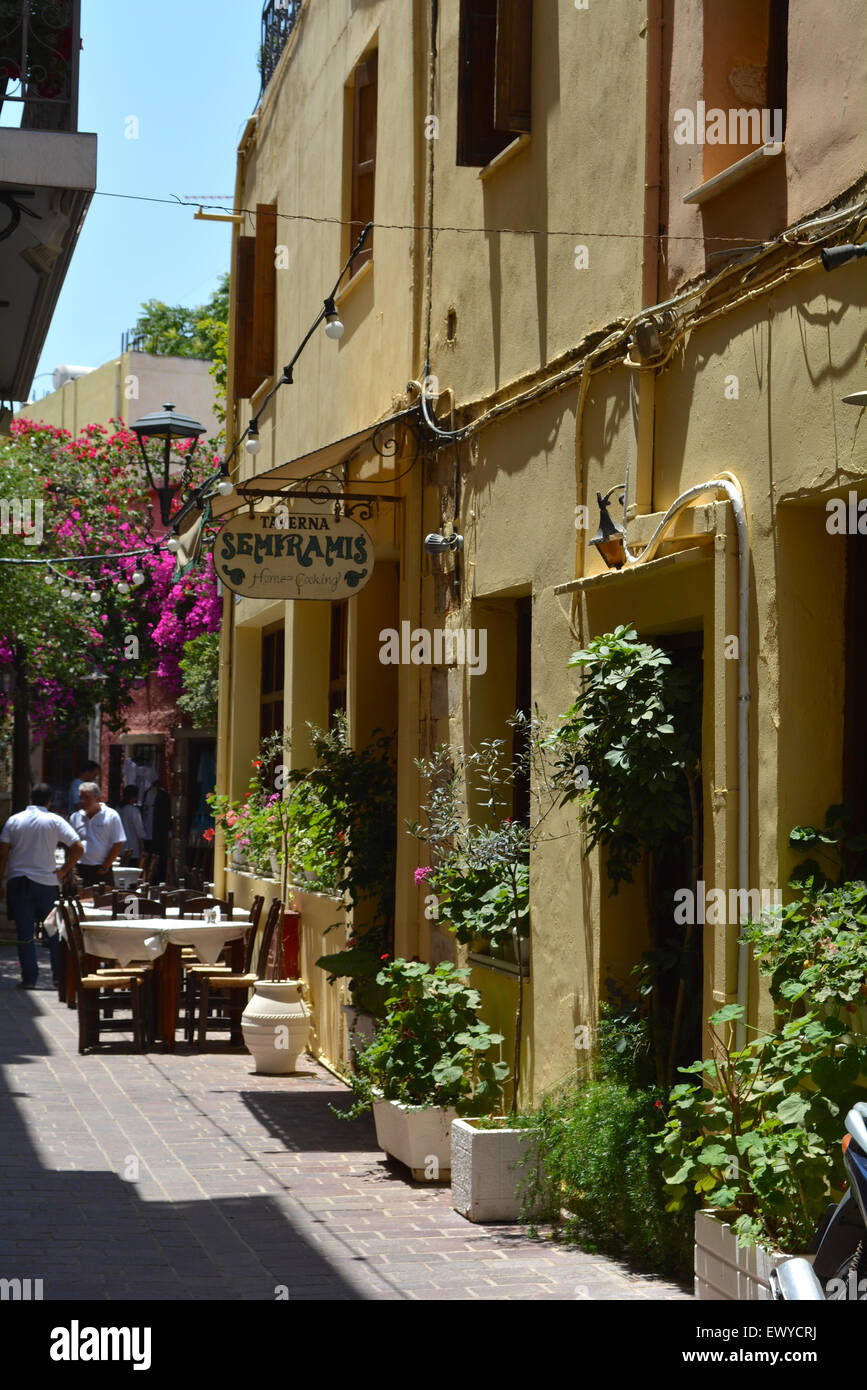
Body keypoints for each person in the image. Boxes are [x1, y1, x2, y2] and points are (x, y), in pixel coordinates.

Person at [0, 784, 84, 989]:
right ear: (49, 800)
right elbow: (78, 846)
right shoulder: (55, 820)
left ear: (31, 797)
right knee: (53, 931)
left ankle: (29, 978)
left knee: (25, 932)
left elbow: (3, 854)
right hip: (47, 883)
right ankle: (58, 976)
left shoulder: (14, 820)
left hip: (19, 881)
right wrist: (64, 870)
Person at [75, 782, 126, 887]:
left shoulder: (111, 816)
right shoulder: (75, 817)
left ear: (97, 798)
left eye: (87, 798)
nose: (82, 801)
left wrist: (104, 867)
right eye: (81, 797)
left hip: (101, 869)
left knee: (103, 902)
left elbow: (118, 843)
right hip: (80, 869)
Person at [141, 776, 171, 884]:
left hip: (159, 831)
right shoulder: (146, 793)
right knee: (148, 856)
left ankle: (158, 880)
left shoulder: (163, 795)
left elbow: (167, 813)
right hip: (147, 829)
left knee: (159, 856)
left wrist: (168, 830)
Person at [118, 785, 146, 865]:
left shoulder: (118, 809)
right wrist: (142, 848)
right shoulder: (133, 810)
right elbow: (139, 831)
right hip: (132, 849)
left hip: (119, 849)